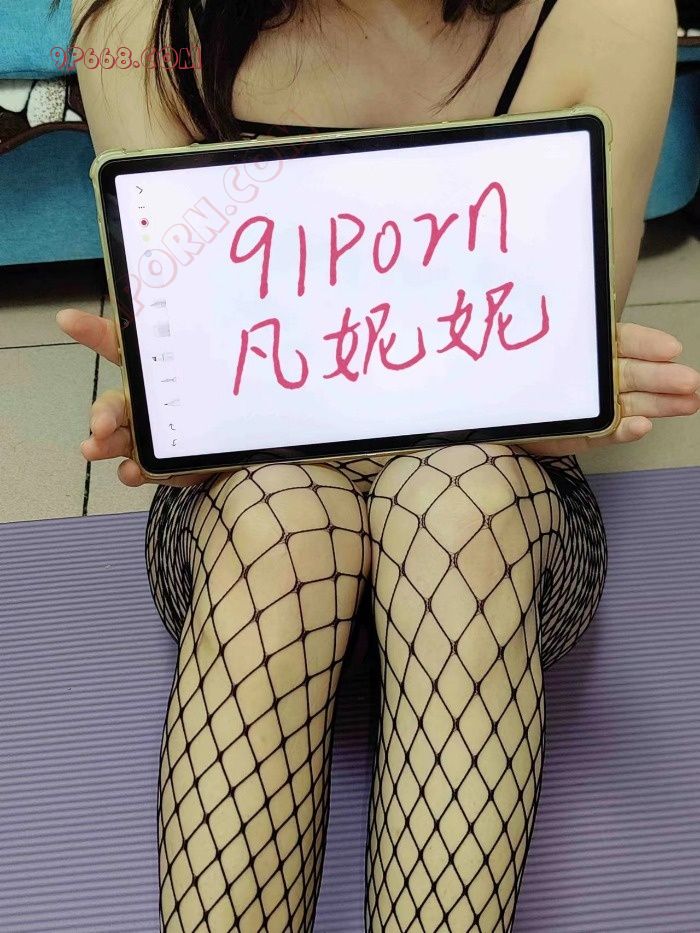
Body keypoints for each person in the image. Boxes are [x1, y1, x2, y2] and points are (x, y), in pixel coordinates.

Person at [54, 1, 699, 930]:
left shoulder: (606, 15)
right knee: (279, 512)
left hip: (493, 513)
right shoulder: (140, 22)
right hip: (253, 513)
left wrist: (578, 399)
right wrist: (170, 426)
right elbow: (200, 403)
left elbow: (546, 406)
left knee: (460, 498)